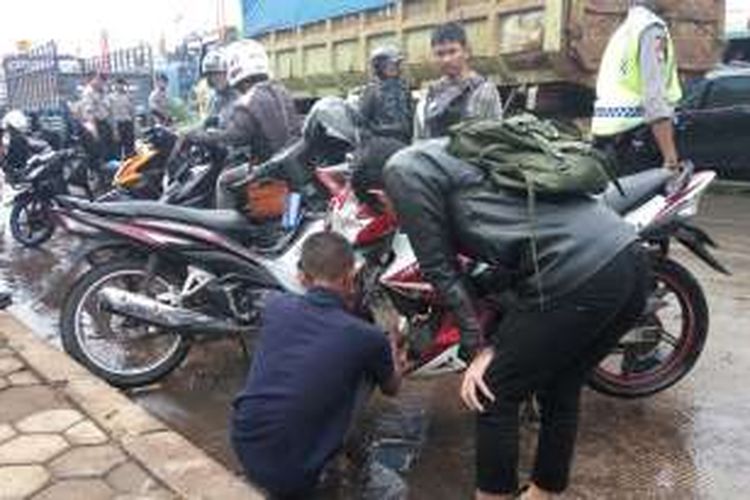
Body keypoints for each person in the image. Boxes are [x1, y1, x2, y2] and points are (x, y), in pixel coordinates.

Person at [352, 136, 650, 499]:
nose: (395, 220)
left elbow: (440, 271)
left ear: (380, 196)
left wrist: (479, 350)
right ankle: (542, 493)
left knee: (490, 391)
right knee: (561, 385)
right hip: (629, 260)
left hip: (578, 274)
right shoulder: (446, 155)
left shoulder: (401, 174)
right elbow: (512, 265)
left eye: (385, 214)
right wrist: (496, 342)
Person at [231, 231, 406, 499]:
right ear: (350, 278)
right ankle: (357, 468)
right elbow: (392, 387)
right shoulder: (366, 337)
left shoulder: (276, 307)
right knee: (368, 372)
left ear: (302, 277)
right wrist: (393, 342)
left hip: (246, 446)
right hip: (298, 475)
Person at [189, 40, 301, 209]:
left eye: (217, 73)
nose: (213, 79)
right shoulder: (280, 90)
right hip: (290, 161)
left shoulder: (249, 99)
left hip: (268, 166)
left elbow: (236, 136)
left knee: (224, 182)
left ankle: (226, 229)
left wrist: (200, 136)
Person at [592, 0, 684, 176]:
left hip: (607, 137)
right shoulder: (652, 29)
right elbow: (654, 98)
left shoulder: (625, 30)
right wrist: (670, 156)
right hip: (637, 139)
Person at [414, 22, 503, 139]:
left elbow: (494, 138)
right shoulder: (429, 96)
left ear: (466, 52)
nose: (446, 59)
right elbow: (419, 138)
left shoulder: (483, 92)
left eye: (452, 51)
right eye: (440, 54)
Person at [358, 45, 413, 143]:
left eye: (397, 64)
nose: (396, 67)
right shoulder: (371, 91)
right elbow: (362, 125)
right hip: (382, 145)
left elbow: (410, 117)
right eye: (391, 64)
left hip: (404, 142)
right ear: (379, 66)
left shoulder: (404, 89)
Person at [79, 72, 116, 161]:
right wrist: (94, 131)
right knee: (101, 153)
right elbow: (89, 114)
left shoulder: (103, 92)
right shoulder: (88, 93)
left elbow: (109, 110)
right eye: (99, 80)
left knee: (111, 152)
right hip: (96, 125)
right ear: (93, 80)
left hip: (105, 124)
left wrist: (114, 129)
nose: (102, 83)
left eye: (103, 81)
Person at [201, 49, 239, 129]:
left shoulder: (237, 94)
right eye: (211, 75)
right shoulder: (214, 96)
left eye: (218, 73)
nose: (215, 78)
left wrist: (217, 120)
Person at [108, 78, 136, 157]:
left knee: (130, 150)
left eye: (122, 84)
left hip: (128, 124)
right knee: (117, 150)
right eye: (119, 84)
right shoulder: (111, 97)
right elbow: (111, 114)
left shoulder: (128, 96)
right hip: (118, 124)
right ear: (115, 85)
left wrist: (135, 126)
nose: (120, 86)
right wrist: (114, 129)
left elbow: (132, 112)